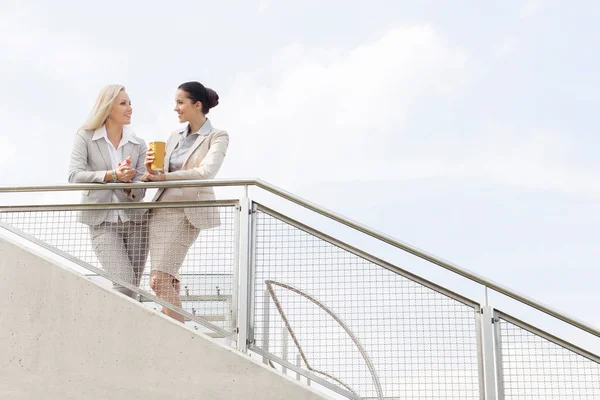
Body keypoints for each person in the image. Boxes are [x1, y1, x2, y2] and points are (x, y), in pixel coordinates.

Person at [142, 81, 229, 322]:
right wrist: (150, 171)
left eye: (180, 103)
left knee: (158, 280)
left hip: (187, 214)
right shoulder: (174, 136)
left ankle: (182, 336)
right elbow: (161, 175)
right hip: (160, 212)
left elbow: (205, 172)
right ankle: (173, 331)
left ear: (197, 105)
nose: (176, 108)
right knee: (167, 279)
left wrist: (165, 176)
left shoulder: (217, 136)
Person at [68, 84, 149, 299]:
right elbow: (74, 175)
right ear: (108, 108)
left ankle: (128, 332)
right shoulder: (85, 136)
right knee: (124, 284)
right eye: (123, 103)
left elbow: (141, 193)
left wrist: (128, 182)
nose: (129, 108)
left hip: (136, 223)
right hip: (101, 222)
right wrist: (112, 175)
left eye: (130, 103)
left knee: (132, 289)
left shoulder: (139, 144)